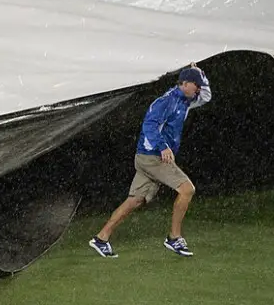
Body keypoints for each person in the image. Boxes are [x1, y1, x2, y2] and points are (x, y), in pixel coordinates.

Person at [90, 65, 212, 259]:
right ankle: (174, 238)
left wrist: (202, 75)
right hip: (152, 157)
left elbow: (206, 96)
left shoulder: (185, 100)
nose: (198, 89)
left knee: (135, 200)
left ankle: (101, 238)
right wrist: (163, 146)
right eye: (196, 85)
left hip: (149, 157)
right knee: (187, 189)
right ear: (185, 84)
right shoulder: (166, 101)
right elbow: (149, 125)